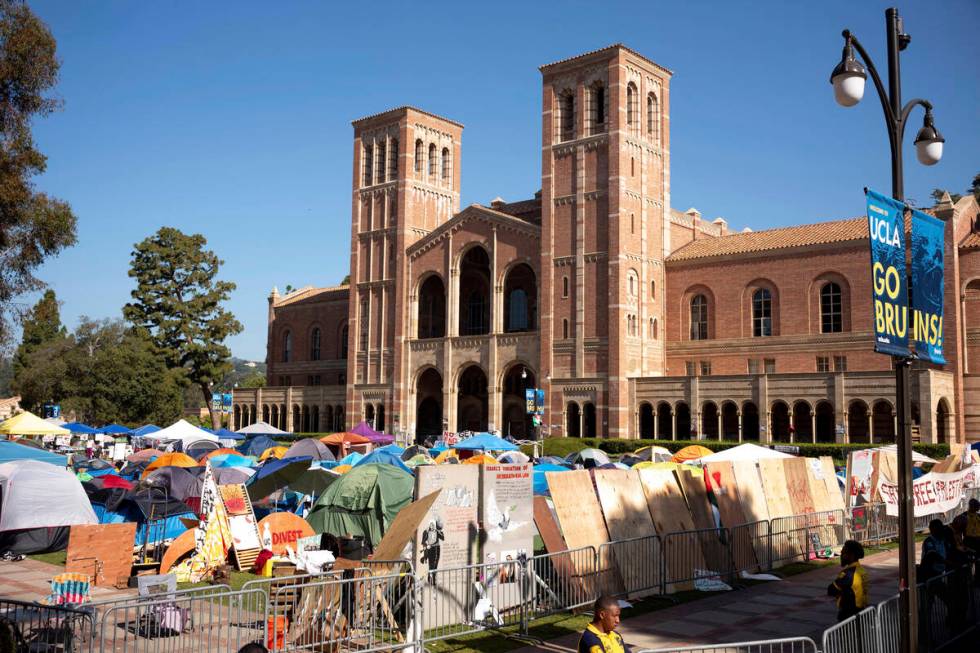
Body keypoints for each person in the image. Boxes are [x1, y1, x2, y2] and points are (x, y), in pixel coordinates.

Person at [827, 540, 868, 622]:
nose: (841, 555)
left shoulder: (849, 574)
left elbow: (831, 590)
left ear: (851, 556)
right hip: (862, 612)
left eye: (843, 553)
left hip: (849, 616)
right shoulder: (862, 570)